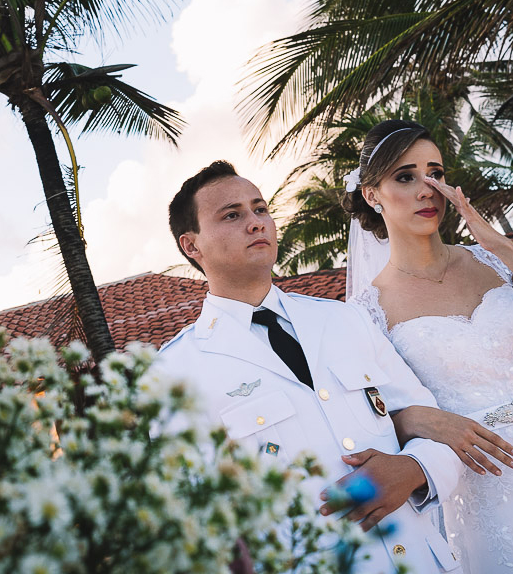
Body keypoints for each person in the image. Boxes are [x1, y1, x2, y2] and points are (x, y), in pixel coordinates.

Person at [147, 161, 463, 574]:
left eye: (260, 209)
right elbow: (193, 515)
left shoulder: (345, 320)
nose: (256, 222)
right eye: (232, 215)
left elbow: (435, 424)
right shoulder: (174, 372)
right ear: (192, 246)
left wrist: (414, 468)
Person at [342, 119, 513, 572]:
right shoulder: (365, 312)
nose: (427, 189)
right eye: (405, 176)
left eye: (435, 173)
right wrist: (411, 418)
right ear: (372, 194)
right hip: (490, 490)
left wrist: (500, 245)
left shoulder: (494, 260)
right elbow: (366, 417)